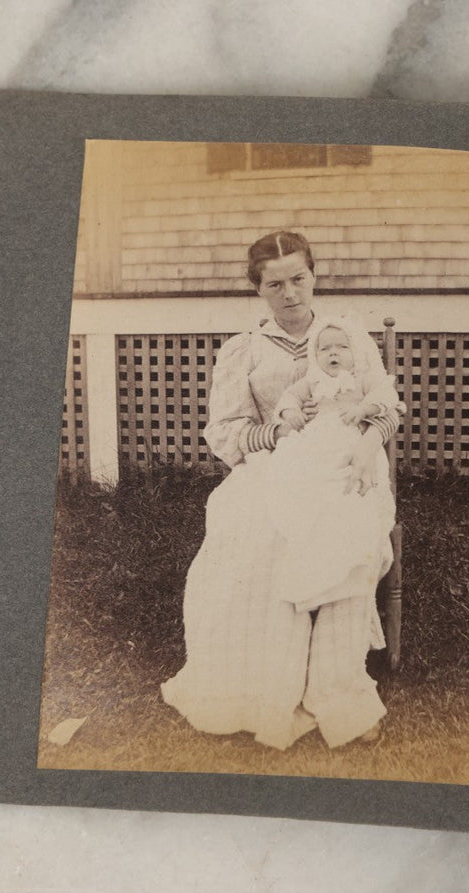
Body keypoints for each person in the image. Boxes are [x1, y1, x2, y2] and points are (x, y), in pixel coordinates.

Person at [160, 231, 401, 749]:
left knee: (348, 534)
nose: (290, 293)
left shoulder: (347, 336)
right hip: (276, 464)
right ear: (258, 290)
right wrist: (279, 432)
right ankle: (267, 686)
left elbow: (386, 404)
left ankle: (341, 695)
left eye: (299, 279)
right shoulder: (245, 351)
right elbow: (226, 431)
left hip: (347, 464)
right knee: (256, 535)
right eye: (275, 285)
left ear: (313, 276)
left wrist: (366, 446)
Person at [265, 320, 401, 612]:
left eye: (341, 347)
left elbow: (387, 397)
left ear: (356, 353)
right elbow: (289, 396)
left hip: (351, 440)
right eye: (324, 348)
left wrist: (363, 408)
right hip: (316, 439)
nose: (333, 353)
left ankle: (340, 565)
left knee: (343, 486)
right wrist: (290, 411)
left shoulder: (361, 379)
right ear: (315, 355)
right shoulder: (313, 382)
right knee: (298, 470)